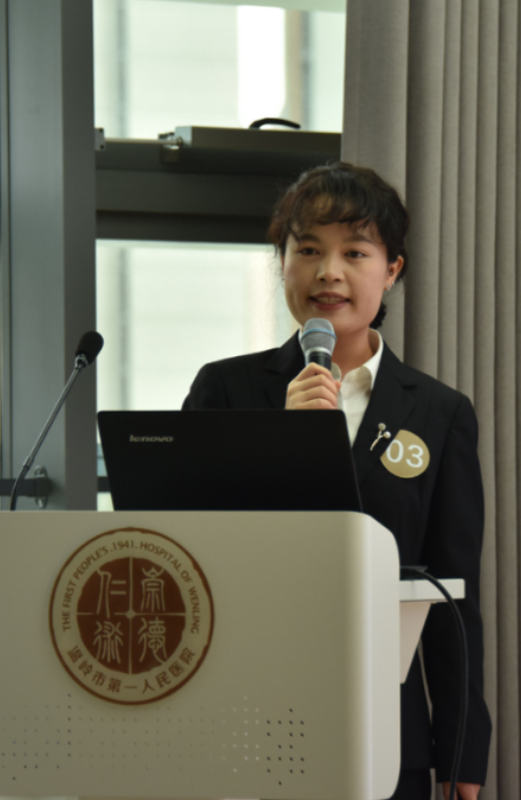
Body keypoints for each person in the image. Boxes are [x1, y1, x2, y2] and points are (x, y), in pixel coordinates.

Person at [182, 162, 492, 800]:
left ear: (392, 270)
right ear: (282, 264)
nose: (329, 272)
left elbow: (453, 595)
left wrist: (463, 748)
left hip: (384, 728)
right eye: (308, 250)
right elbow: (187, 553)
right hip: (244, 717)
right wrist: (284, 446)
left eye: (355, 252)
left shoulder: (439, 413)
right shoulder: (226, 389)